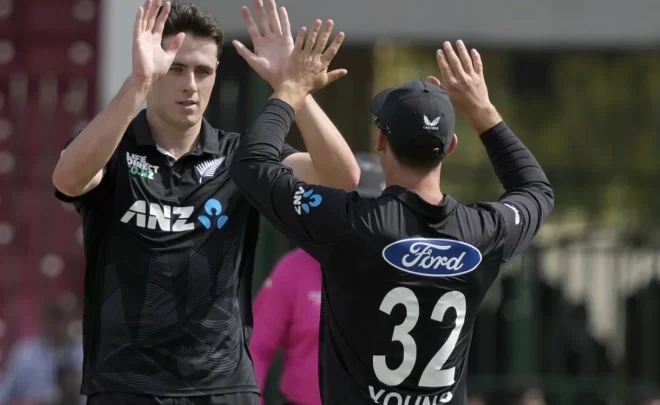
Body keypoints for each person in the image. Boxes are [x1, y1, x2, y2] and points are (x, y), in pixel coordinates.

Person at [50, 0, 360, 404]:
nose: (190, 85)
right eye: (175, 68)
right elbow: (68, 180)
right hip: (127, 387)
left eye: (203, 71)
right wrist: (139, 82)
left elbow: (342, 177)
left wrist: (293, 88)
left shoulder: (241, 157)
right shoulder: (116, 149)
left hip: (222, 388)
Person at [229, 31, 554, 405]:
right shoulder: (482, 233)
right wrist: (482, 111)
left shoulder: (351, 223)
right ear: (450, 147)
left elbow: (252, 162)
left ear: (381, 141)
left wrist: (292, 88)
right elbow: (535, 190)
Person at [250, 153, 384, 405]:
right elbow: (258, 346)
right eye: (349, 207)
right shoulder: (294, 268)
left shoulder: (398, 269)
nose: (358, 219)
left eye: (368, 209)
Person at [0, 303, 83, 405]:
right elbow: (2, 395)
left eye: (59, 320)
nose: (55, 326)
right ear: (43, 322)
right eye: (51, 321)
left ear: (68, 322)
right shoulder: (24, 353)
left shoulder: (82, 355)